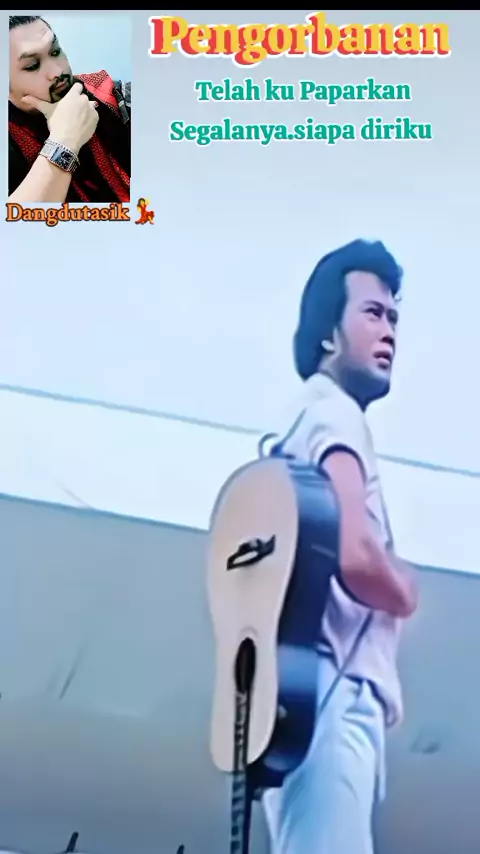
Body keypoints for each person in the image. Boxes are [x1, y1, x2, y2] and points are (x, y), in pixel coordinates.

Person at [262, 239, 419, 854]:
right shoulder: (335, 414)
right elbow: (355, 555)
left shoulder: (298, 420)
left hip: (303, 693)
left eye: (394, 318)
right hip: (335, 694)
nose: (389, 332)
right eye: (373, 313)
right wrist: (403, 589)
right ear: (329, 332)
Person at [8, 15, 130, 204]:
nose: (58, 71)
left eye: (55, 51)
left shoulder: (110, 95)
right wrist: (65, 141)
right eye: (33, 66)